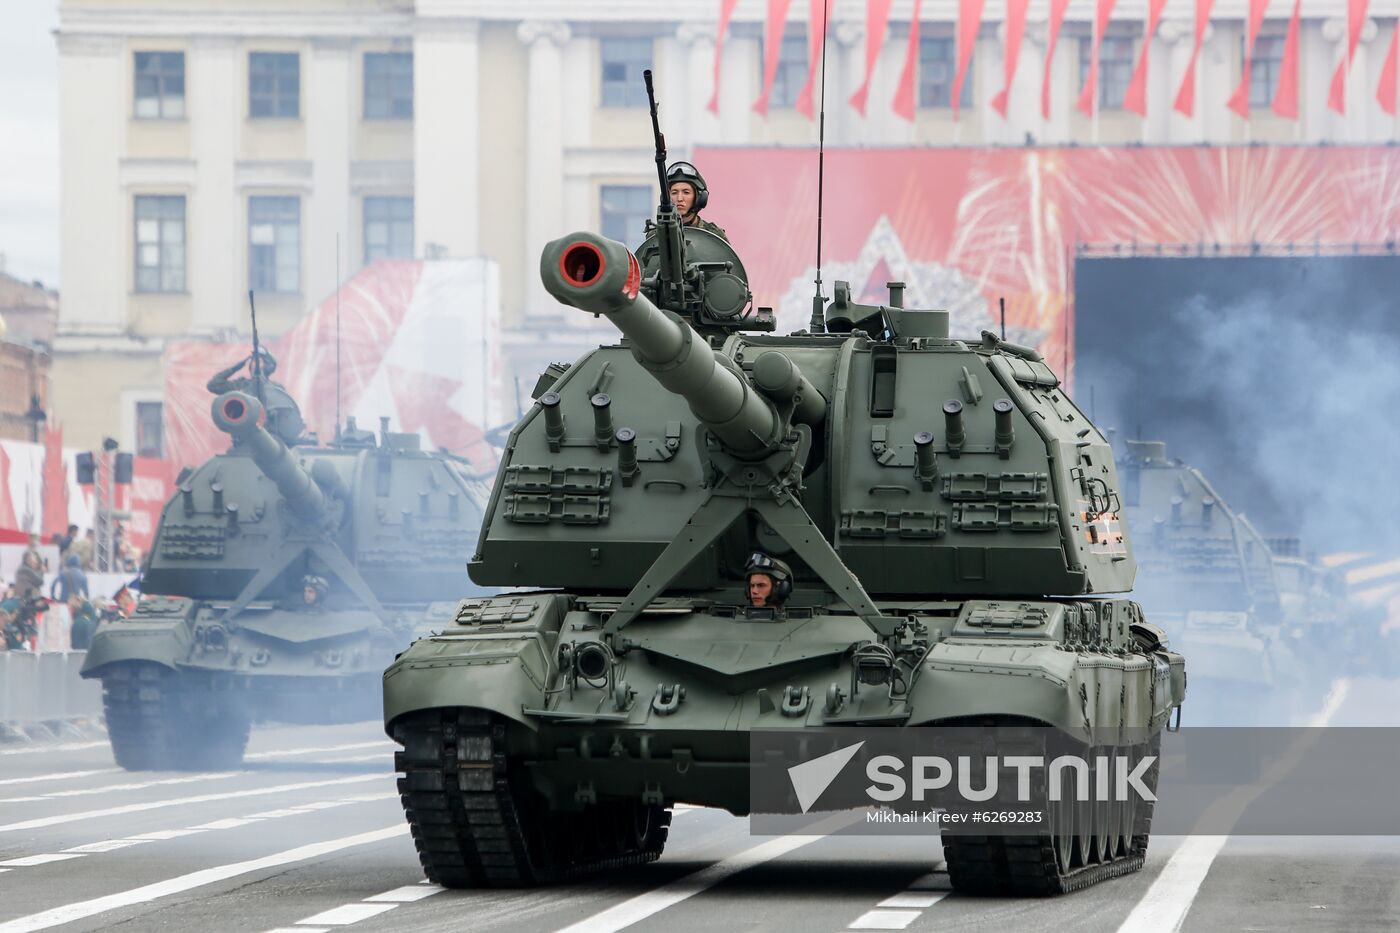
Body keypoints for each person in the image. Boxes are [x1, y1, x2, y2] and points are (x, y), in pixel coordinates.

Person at [666, 162, 728, 242]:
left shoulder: (713, 235)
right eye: (674, 193)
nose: (679, 198)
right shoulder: (657, 235)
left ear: (699, 197)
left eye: (686, 192)